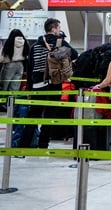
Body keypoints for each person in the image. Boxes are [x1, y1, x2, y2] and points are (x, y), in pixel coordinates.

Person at [21, 18, 78, 149]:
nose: (59, 30)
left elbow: (29, 68)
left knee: (33, 116)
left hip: (37, 85)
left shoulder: (35, 46)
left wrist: (30, 88)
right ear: (53, 29)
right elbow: (74, 55)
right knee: (49, 115)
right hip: (54, 84)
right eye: (58, 28)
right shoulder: (60, 42)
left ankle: (23, 145)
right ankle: (43, 144)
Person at [1, 29, 30, 93]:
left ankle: (2, 101)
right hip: (20, 66)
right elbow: (27, 54)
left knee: (4, 85)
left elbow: (2, 56)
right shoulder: (25, 42)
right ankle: (12, 101)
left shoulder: (9, 42)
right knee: (15, 86)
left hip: (9, 64)